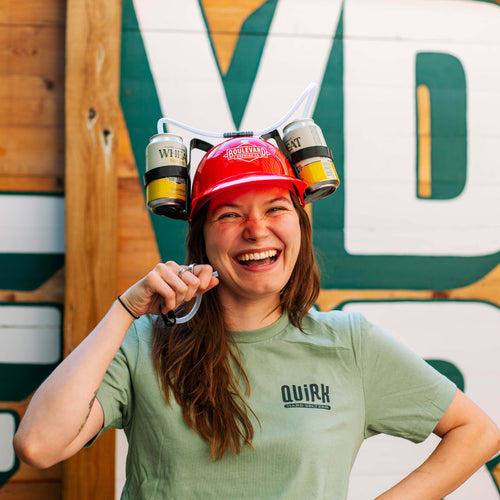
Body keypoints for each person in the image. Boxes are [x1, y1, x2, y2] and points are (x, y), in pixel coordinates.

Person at [14, 137, 500, 499]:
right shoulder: (145, 344)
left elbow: (477, 432)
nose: (256, 230)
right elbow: (39, 445)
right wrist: (125, 311)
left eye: (275, 208)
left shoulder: (350, 344)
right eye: (229, 214)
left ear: (300, 226)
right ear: (201, 237)